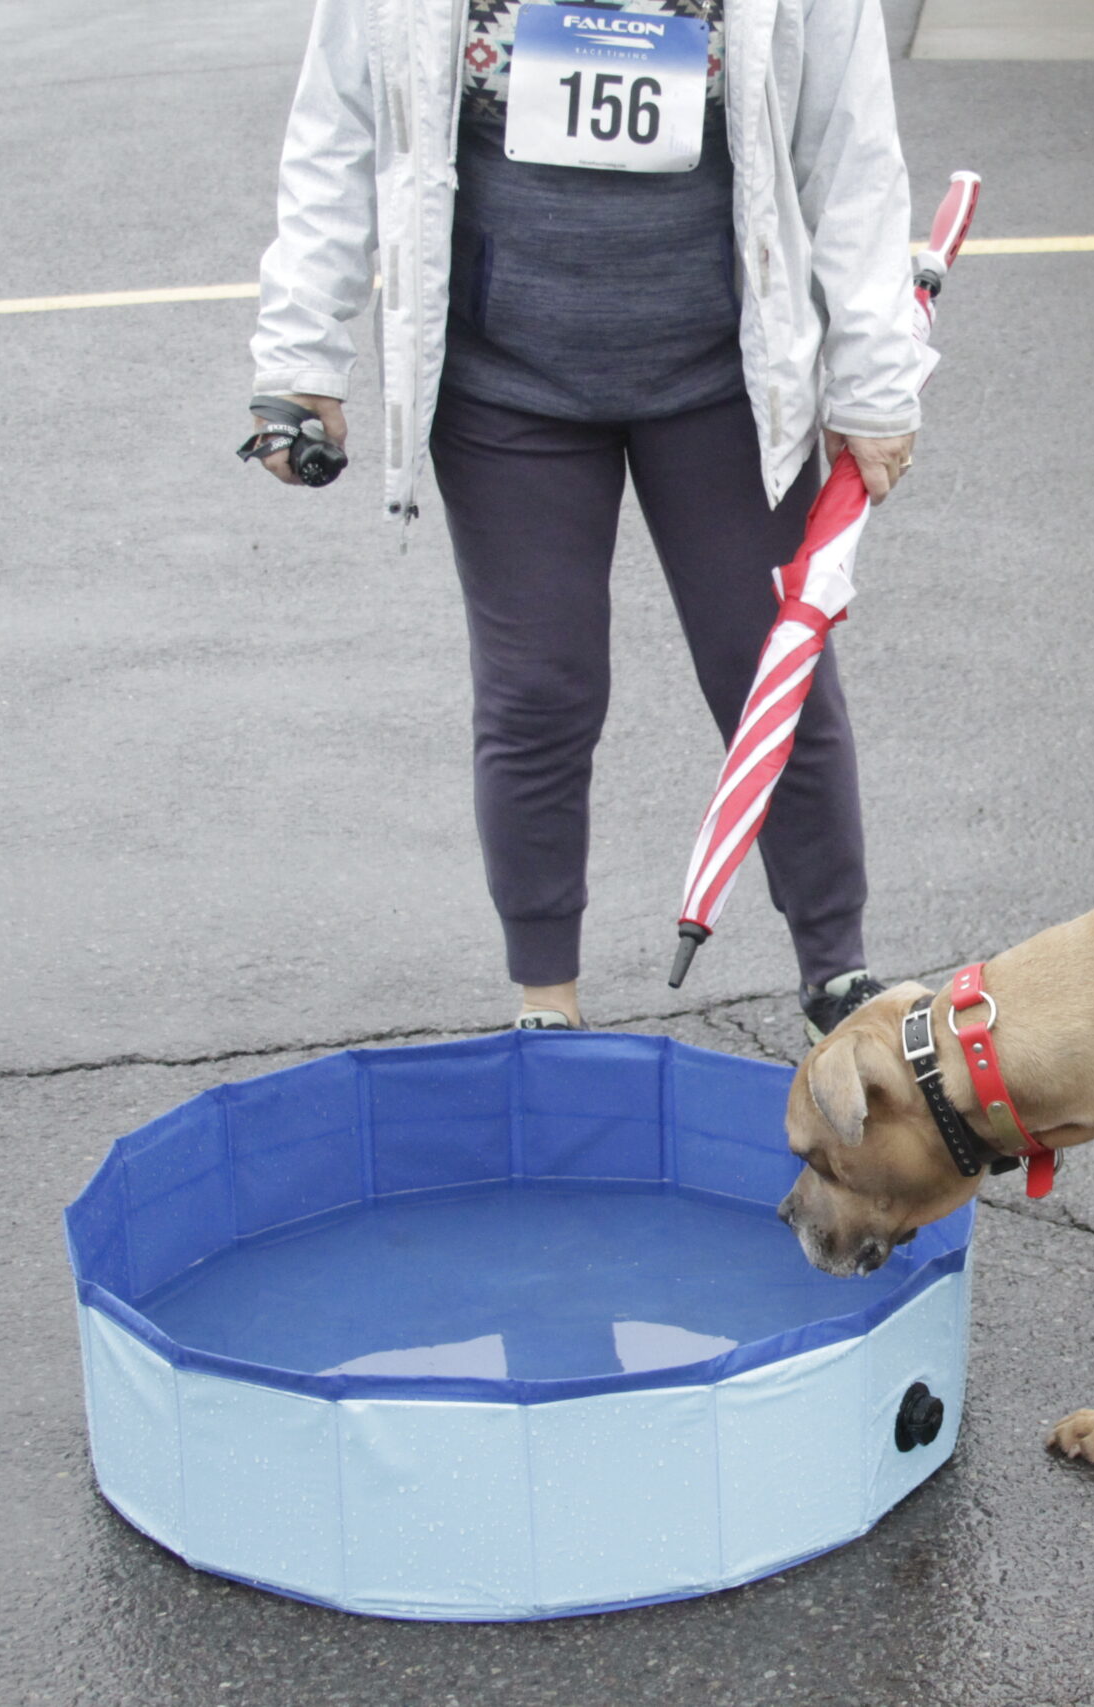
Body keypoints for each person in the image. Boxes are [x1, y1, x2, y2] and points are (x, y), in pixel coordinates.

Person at [247, 0, 927, 1040]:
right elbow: (340, 124)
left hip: (725, 378)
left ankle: (839, 978)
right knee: (537, 692)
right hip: (503, 384)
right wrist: (300, 357)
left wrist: (874, 379)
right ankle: (546, 1003)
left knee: (771, 674)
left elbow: (851, 146)